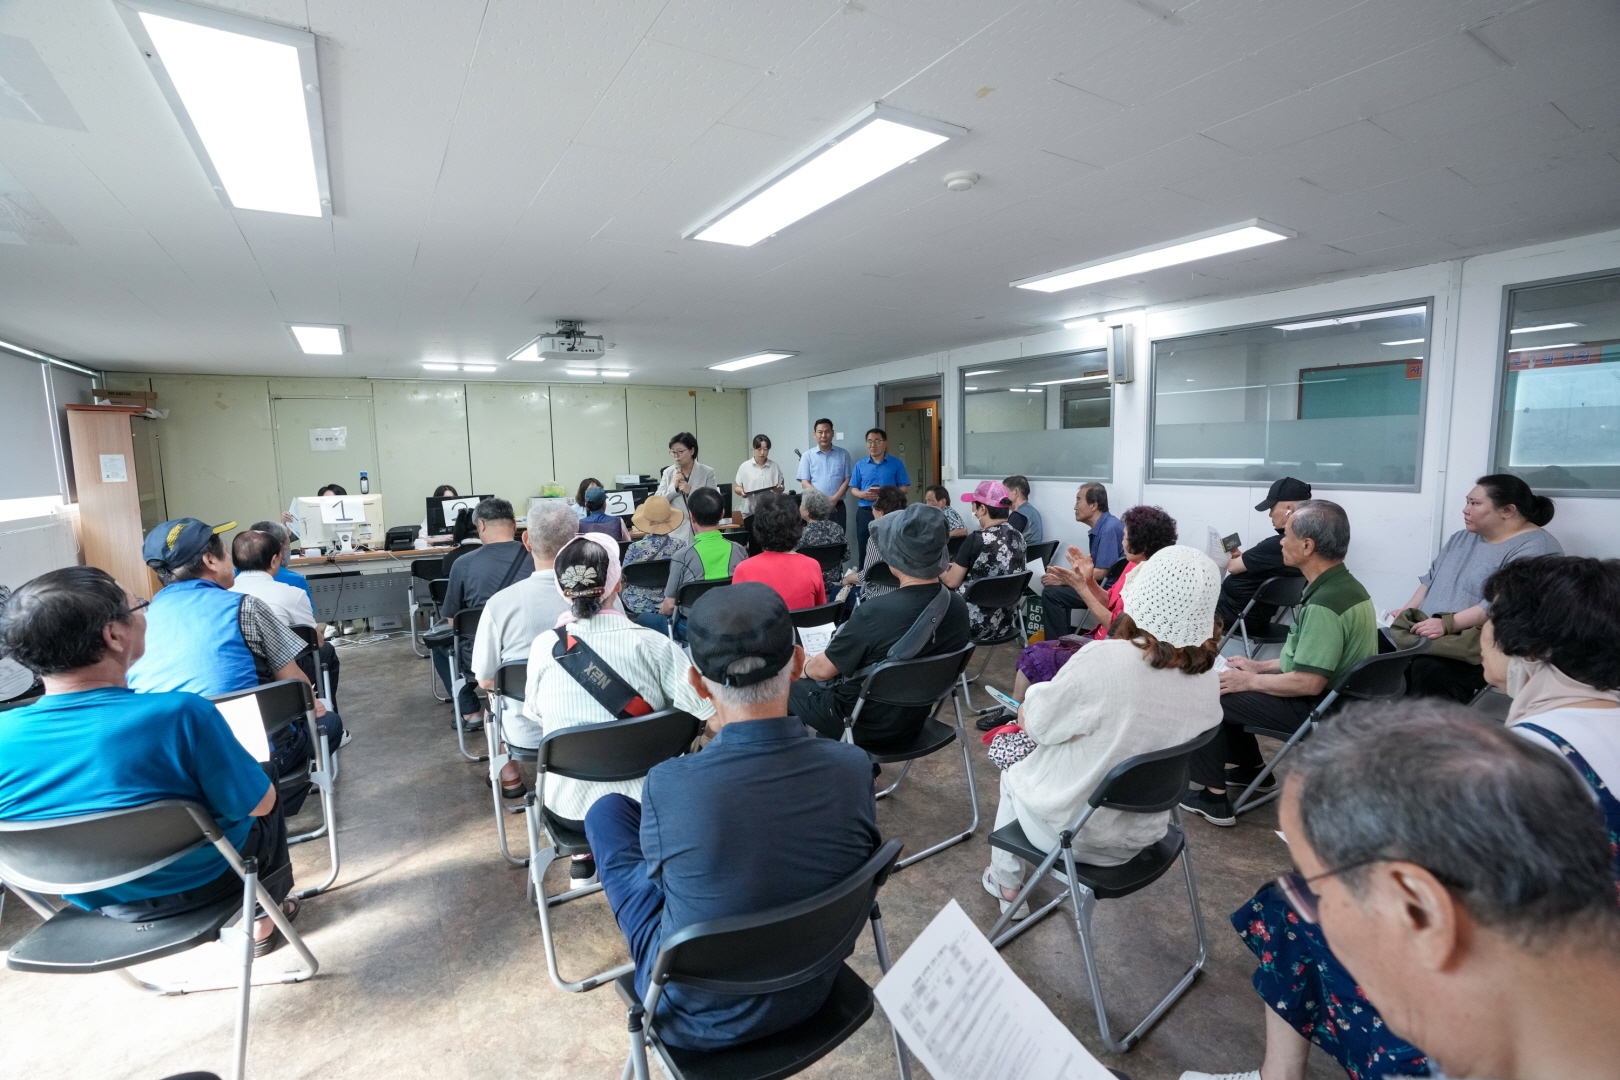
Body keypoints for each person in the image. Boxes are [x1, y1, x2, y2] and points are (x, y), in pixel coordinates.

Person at [1184, 554, 1620, 1080]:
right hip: (1586, 984)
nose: (1480, 631)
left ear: (1529, 649)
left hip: (1527, 994)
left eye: (1489, 620)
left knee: (1295, 906)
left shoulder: (1520, 766)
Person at [583, 582, 879, 1051]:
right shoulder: (853, 766)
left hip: (692, 1017)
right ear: (797, 662)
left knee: (606, 812)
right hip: (814, 987)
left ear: (698, 682)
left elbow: (661, 887)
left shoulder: (670, 783)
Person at [0, 566, 299, 954]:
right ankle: (259, 918)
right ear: (114, 635)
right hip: (208, 882)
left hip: (91, 898)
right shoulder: (181, 714)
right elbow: (260, 805)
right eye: (138, 606)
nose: (145, 614)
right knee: (262, 777)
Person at [984, 546, 1222, 917]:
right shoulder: (1209, 679)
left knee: (1015, 766)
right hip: (1143, 834)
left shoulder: (1105, 658)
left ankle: (1006, 882)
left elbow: (1040, 726)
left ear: (1142, 595)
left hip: (1074, 835)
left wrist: (1029, 703)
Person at [523, 533, 713, 886]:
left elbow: (537, 715)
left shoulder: (543, 648)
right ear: (619, 584)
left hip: (573, 812)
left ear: (563, 590)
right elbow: (708, 711)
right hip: (655, 805)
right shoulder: (655, 645)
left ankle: (583, 857)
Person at [1181, 500, 1377, 826]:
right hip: (1339, 703)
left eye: (1287, 535)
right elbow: (1313, 659)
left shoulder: (1326, 603)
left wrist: (1249, 681)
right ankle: (1252, 770)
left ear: (1307, 546)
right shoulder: (1345, 588)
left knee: (1207, 691)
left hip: (1321, 710)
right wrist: (1258, 667)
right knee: (1231, 681)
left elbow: (1309, 681)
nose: (1282, 542)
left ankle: (1214, 799)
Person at [127, 518, 340, 771]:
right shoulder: (245, 607)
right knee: (330, 723)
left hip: (168, 762)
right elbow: (296, 685)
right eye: (226, 553)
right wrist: (314, 704)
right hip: (249, 756)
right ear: (210, 561)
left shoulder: (141, 620)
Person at [789, 504, 970, 749]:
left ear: (895, 557)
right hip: (913, 721)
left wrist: (802, 664)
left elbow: (822, 671)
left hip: (859, 722)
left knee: (779, 679)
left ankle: (800, 762)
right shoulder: (957, 606)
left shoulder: (874, 612)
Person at [1393, 473, 1561, 703]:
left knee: (1428, 669)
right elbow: (1429, 581)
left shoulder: (1537, 548)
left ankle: (1430, 726)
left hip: (1480, 646)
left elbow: (1500, 605)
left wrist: (1447, 624)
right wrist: (1406, 612)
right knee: (1375, 646)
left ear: (1507, 511)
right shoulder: (1461, 538)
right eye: (1467, 502)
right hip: (1432, 631)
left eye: (1475, 503)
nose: (1465, 510)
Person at [1005, 505, 1180, 719]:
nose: (1122, 542)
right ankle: (1021, 710)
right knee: (1037, 650)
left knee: (1034, 655)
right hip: (1105, 640)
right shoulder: (1133, 565)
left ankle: (1021, 714)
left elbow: (1117, 627)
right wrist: (1088, 580)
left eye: (1125, 537)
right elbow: (1109, 600)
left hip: (1117, 652)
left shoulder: (1151, 579)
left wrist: (1080, 587)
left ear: (1141, 545)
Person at [471, 500, 578, 798]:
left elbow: (485, 679)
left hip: (526, 732)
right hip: (593, 727)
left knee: (493, 695)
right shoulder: (604, 597)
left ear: (527, 541)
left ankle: (510, 778)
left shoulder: (500, 604)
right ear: (575, 543)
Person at [432, 498, 533, 732]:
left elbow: (453, 622)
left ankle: (471, 712)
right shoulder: (536, 557)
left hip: (482, 657)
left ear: (481, 525)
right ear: (515, 525)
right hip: (532, 648)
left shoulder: (463, 564)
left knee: (440, 647)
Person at [1217, 477, 1309, 640]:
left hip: (1235, 617)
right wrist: (1241, 557)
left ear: (1289, 509)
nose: (1270, 514)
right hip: (1258, 618)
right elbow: (1265, 565)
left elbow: (1233, 568)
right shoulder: (1308, 545)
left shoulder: (1279, 545)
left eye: (1272, 508)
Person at [942, 480, 1026, 642]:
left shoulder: (977, 539)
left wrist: (938, 567)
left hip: (968, 624)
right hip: (1003, 623)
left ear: (982, 509)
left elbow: (951, 581)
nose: (972, 511)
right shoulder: (1018, 536)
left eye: (973, 506)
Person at [1040, 482, 1124, 637]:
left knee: (1052, 593)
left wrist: (1064, 580)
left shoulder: (1109, 529)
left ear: (1093, 505)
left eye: (1078, 500)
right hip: (1104, 587)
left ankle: (1057, 646)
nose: (1075, 507)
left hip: (1107, 592)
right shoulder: (1106, 525)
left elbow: (1101, 572)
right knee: (1054, 590)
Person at [658, 487, 744, 638]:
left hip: (694, 628)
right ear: (722, 514)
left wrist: (660, 613)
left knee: (644, 618)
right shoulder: (739, 550)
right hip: (732, 624)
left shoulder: (682, 556)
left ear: (692, 517)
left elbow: (669, 606)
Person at [731, 491, 825, 610]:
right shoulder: (812, 566)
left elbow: (737, 614)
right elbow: (820, 612)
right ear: (797, 525)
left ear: (758, 527)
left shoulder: (744, 569)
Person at [621, 495, 688, 633]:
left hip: (637, 602)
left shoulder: (635, 548)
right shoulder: (680, 546)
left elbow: (624, 577)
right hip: (670, 600)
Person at [841, 485, 908, 603]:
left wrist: (848, 579)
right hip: (907, 595)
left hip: (878, 597)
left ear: (881, 513)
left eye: (873, 506)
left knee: (837, 595)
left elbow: (867, 575)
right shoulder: (911, 534)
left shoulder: (876, 537)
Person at [850, 427, 911, 556]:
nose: (873, 445)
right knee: (864, 546)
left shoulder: (896, 463)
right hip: (865, 511)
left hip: (890, 512)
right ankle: (864, 569)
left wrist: (888, 495)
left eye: (877, 441)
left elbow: (905, 488)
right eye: (869, 441)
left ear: (885, 443)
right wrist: (863, 494)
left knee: (890, 546)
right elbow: (853, 489)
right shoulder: (860, 465)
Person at [656, 432, 719, 544]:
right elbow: (658, 502)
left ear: (692, 451)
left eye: (680, 451)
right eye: (673, 452)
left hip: (701, 529)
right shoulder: (668, 472)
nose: (676, 456)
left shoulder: (707, 472)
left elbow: (714, 501)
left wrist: (690, 490)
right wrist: (674, 488)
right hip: (675, 532)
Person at [796, 418, 854, 534]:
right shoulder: (807, 456)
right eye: (820, 432)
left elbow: (848, 479)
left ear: (832, 433)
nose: (824, 435)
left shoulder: (843, 454)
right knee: (816, 540)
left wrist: (835, 499)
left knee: (838, 538)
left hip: (837, 507)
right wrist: (824, 501)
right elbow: (805, 483)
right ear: (815, 435)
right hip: (815, 508)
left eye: (827, 431)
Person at [797, 488, 847, 595]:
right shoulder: (837, 528)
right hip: (834, 583)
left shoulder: (802, 534)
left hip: (810, 584)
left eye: (801, 504)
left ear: (807, 511)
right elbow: (846, 556)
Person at [733, 433, 785, 530]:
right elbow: (737, 487)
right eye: (759, 449)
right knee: (753, 539)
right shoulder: (745, 466)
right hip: (751, 513)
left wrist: (779, 488)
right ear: (753, 448)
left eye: (765, 449)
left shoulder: (774, 466)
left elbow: (782, 487)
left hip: (771, 513)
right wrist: (742, 492)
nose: (762, 453)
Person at [1004, 475, 1043, 544]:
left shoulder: (1018, 516)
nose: (1003, 496)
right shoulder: (1033, 512)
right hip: (1034, 551)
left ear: (1016, 492)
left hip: (1023, 551)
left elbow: (1005, 543)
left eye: (1004, 492)